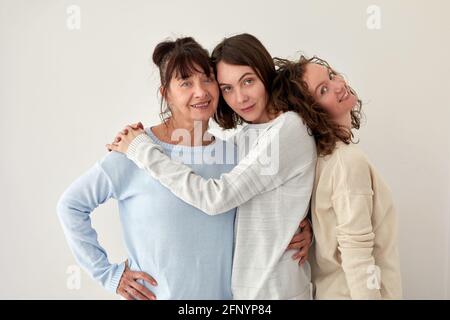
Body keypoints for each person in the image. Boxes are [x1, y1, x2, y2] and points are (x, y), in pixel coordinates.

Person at [58, 36, 310, 300]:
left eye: (207, 79)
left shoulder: (235, 153)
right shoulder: (134, 150)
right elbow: (71, 205)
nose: (200, 92)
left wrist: (305, 227)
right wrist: (108, 275)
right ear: (165, 93)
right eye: (186, 82)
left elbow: (268, 204)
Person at [271, 56, 403, 299]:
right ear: (311, 112)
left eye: (331, 76)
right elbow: (357, 255)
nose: (339, 85)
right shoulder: (347, 161)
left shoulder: (320, 161)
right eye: (323, 90)